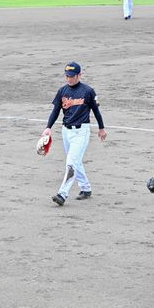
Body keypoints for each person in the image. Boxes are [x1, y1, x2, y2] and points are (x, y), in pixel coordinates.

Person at [43, 62, 107, 206]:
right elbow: (55, 111)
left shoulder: (88, 91)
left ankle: (62, 194)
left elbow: (96, 111)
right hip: (66, 131)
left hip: (81, 132)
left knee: (71, 163)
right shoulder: (62, 91)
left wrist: (101, 128)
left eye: (72, 76)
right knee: (75, 161)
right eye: (67, 76)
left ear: (79, 75)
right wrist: (48, 127)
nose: (69, 79)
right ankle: (86, 188)